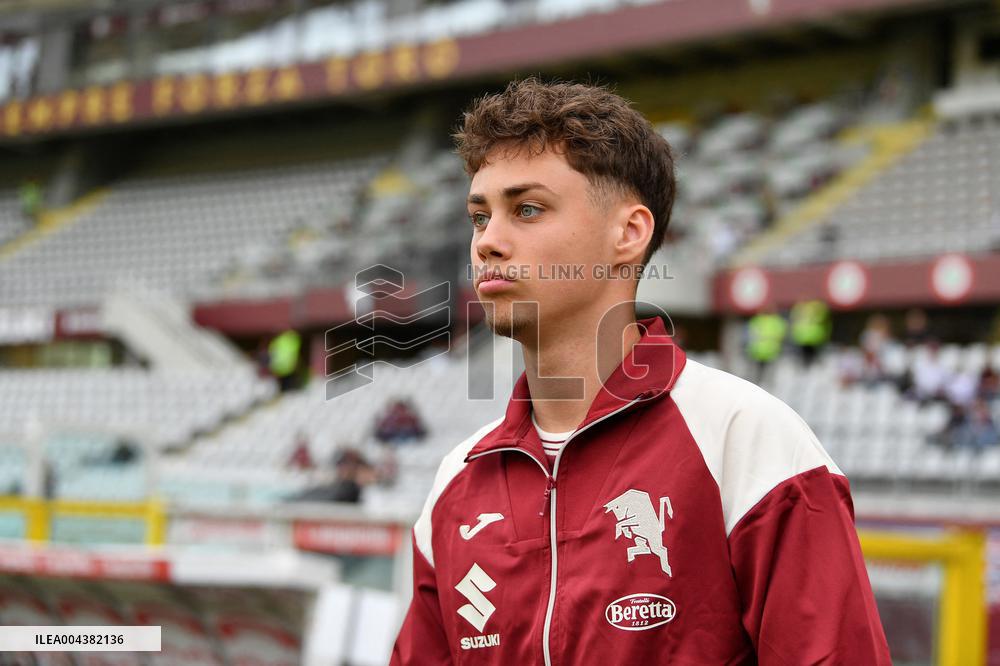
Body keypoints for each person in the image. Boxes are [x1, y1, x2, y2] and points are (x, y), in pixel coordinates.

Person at [390, 77, 890, 665]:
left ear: (628, 234)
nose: (488, 243)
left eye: (527, 209)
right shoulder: (456, 484)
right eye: (480, 216)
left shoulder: (745, 441)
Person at [789, 298, 832, 367]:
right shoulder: (817, 306)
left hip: (804, 335)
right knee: (811, 355)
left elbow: (794, 318)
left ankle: (807, 365)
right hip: (813, 335)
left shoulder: (800, 306)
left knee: (807, 355)